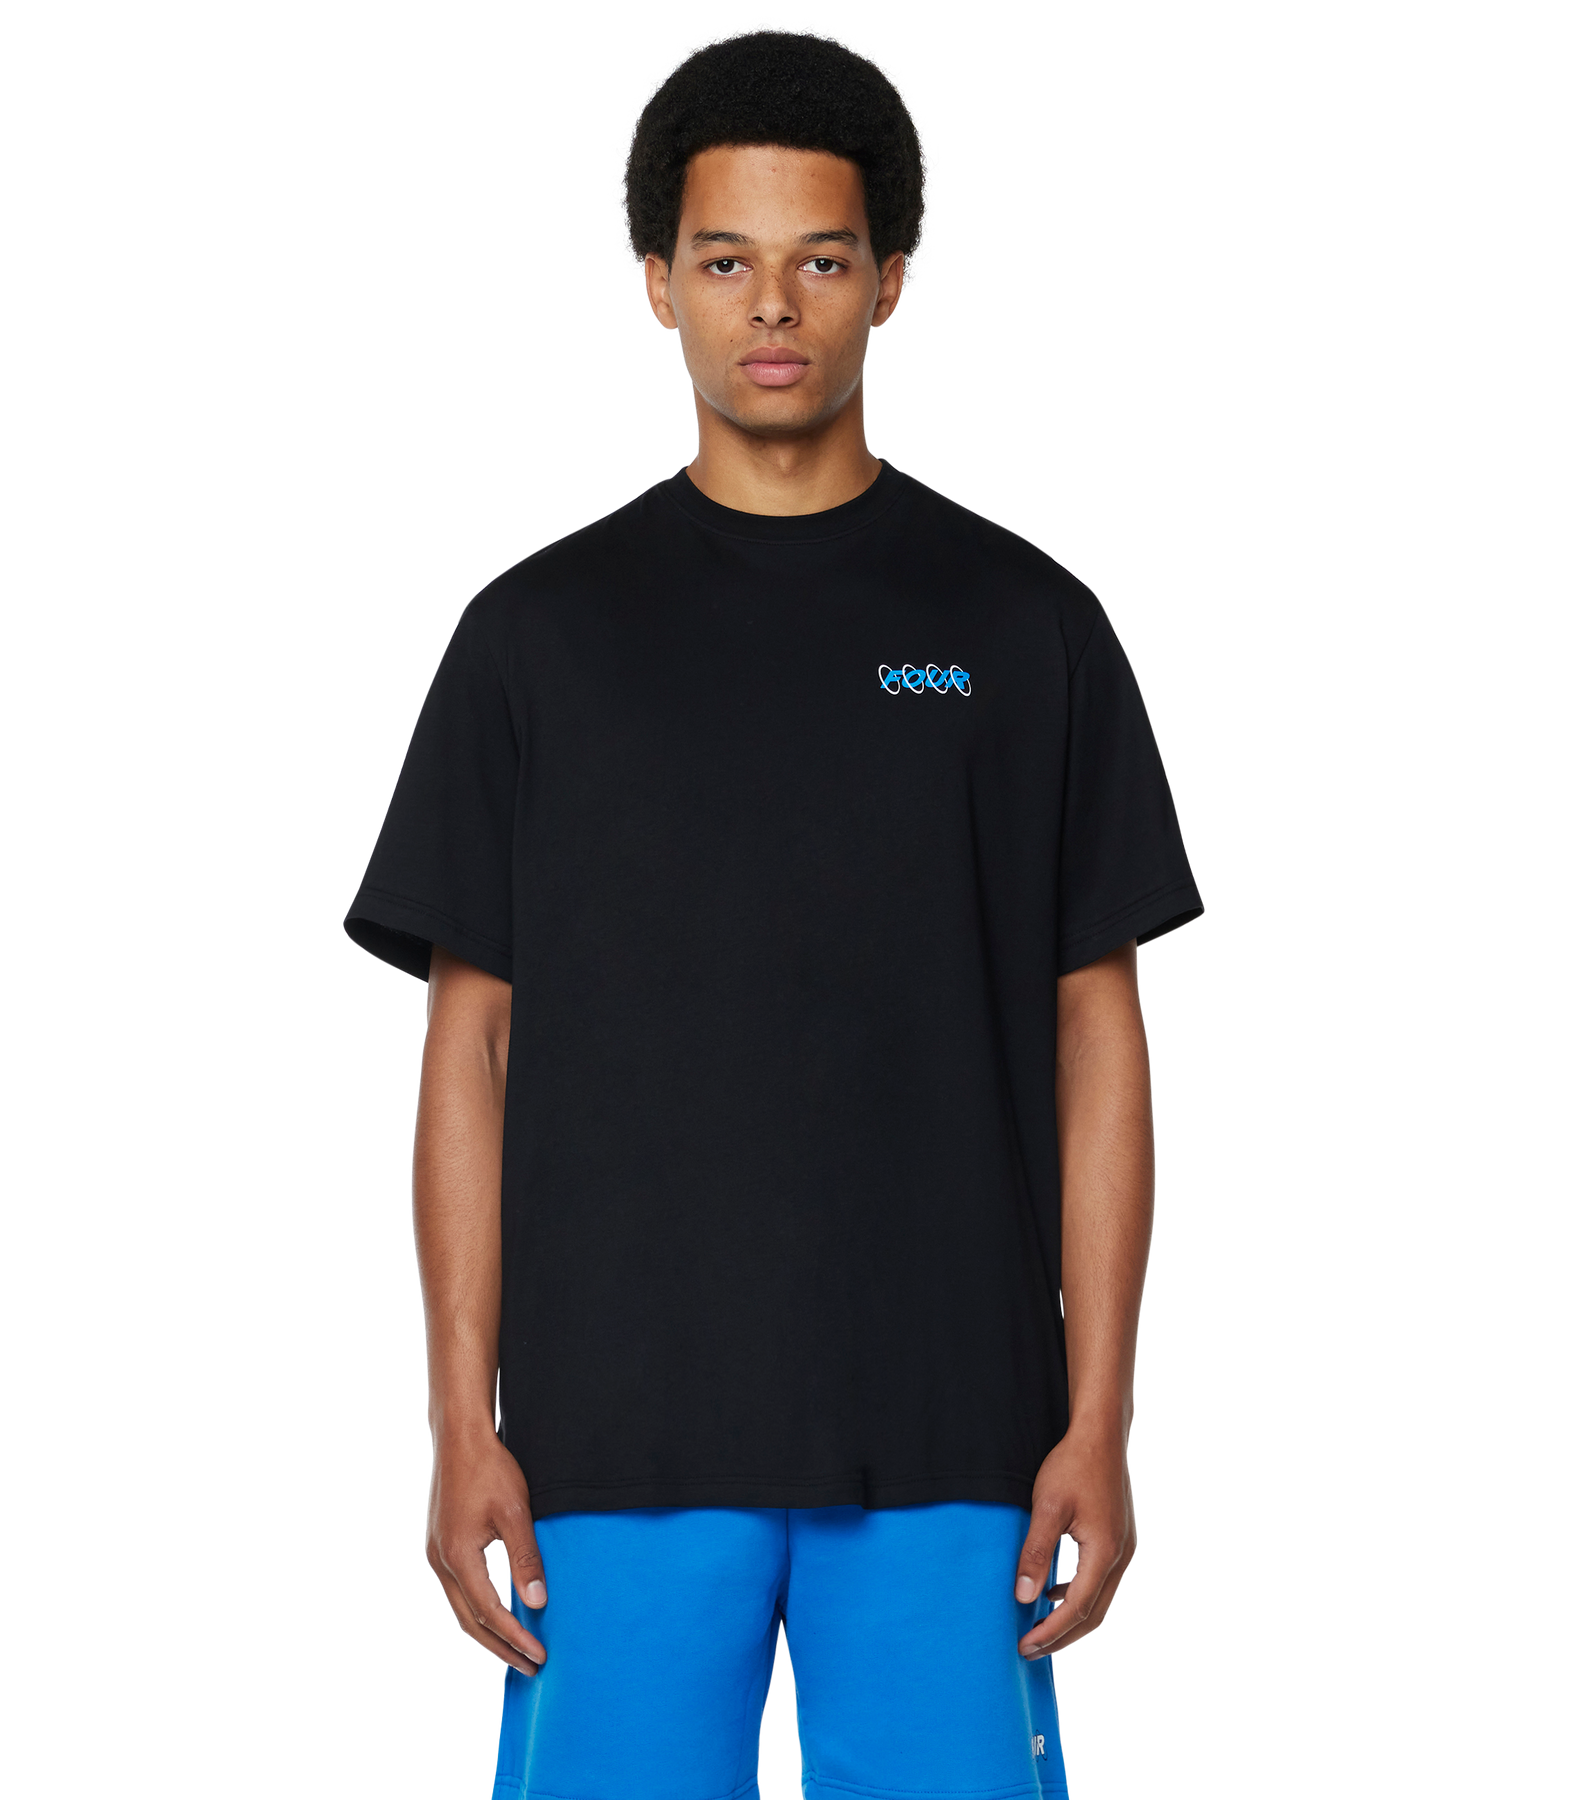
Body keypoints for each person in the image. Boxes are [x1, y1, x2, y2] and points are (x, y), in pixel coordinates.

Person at [342, 20, 1204, 1800]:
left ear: (892, 273)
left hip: (957, 1435)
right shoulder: (538, 636)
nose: (775, 309)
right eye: (726, 261)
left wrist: (1100, 1419)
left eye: (821, 259)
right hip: (613, 1444)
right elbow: (469, 1051)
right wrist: (457, 1421)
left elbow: (1097, 1035)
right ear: (657, 279)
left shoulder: (1024, 625)